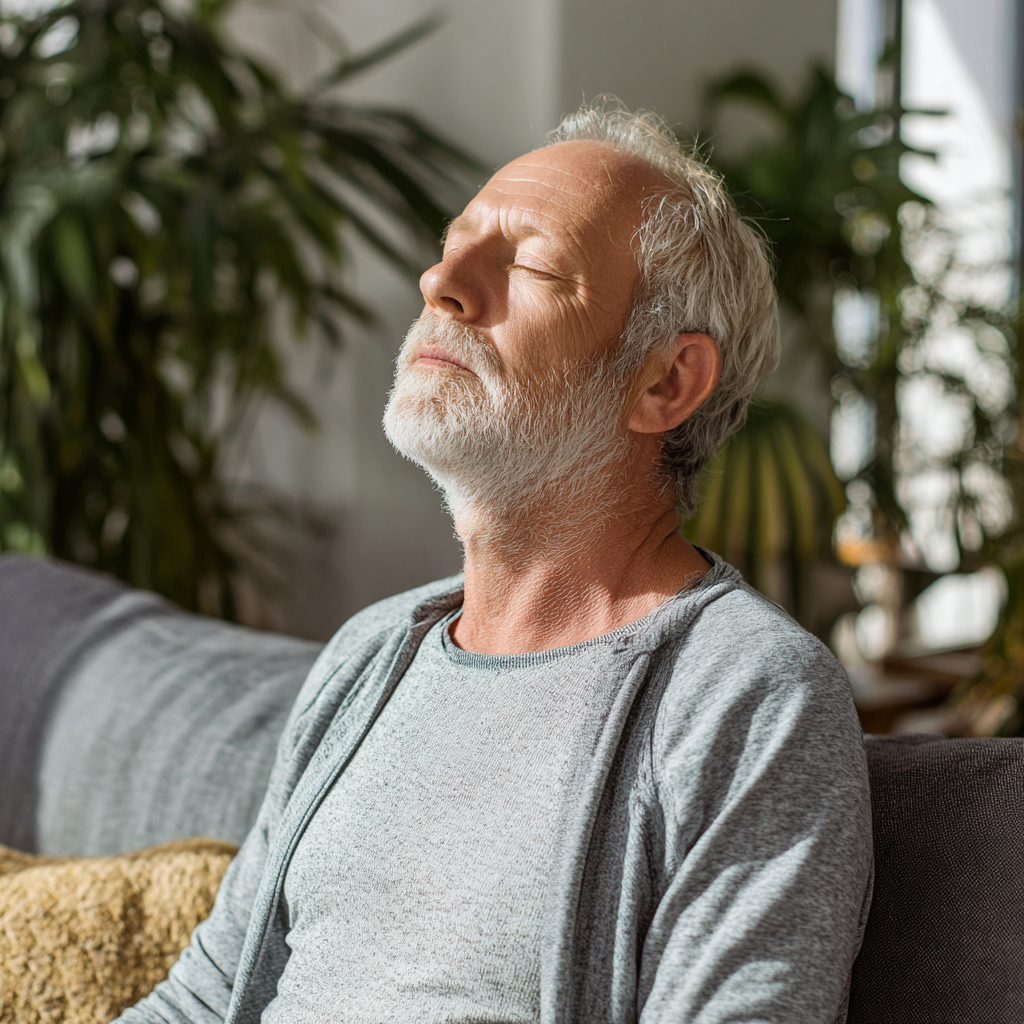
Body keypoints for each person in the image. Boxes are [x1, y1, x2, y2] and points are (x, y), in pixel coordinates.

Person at [116, 103, 872, 1024]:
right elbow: (201, 1001)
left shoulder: (746, 696)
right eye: (454, 243)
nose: (443, 281)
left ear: (665, 382)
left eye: (534, 265)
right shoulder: (370, 655)